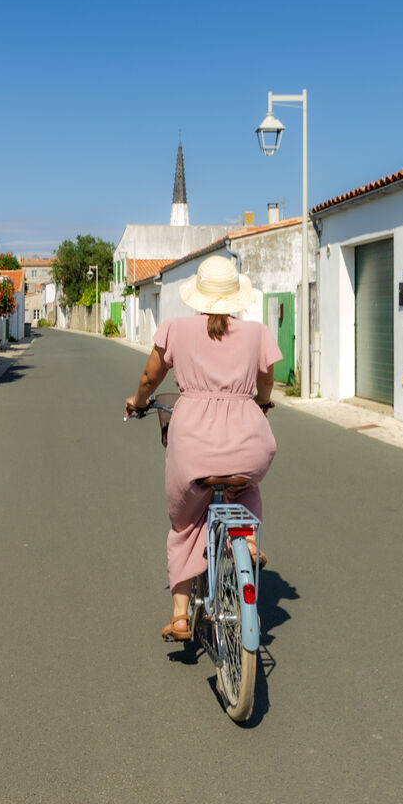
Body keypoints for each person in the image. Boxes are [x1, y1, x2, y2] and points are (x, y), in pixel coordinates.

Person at [124, 256, 281, 641]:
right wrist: (258, 404)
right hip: (249, 441)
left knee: (184, 524)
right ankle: (246, 536)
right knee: (244, 485)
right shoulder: (257, 333)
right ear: (235, 298)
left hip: (192, 444)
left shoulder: (176, 329)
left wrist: (139, 400)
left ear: (198, 296)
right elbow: (266, 382)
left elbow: (150, 377)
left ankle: (180, 615)